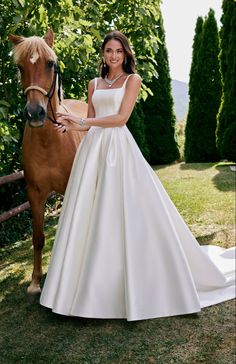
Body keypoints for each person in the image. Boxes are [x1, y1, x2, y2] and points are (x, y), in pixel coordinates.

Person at [40, 31, 235, 321]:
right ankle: (85, 286)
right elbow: (91, 124)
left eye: (119, 51)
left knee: (126, 212)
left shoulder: (133, 81)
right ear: (103, 54)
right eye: (109, 51)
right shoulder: (93, 84)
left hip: (119, 152)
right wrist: (71, 125)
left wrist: (82, 120)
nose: (114, 56)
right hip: (92, 154)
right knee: (91, 215)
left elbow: (120, 119)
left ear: (126, 54)